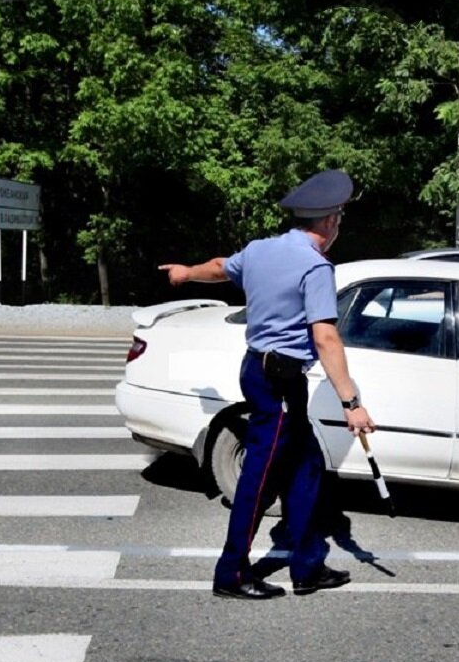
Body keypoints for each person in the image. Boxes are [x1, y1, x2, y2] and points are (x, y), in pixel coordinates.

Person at [160, 169, 376, 600]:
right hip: (276, 385)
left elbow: (222, 268)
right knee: (258, 480)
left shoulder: (260, 250)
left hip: (265, 375)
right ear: (330, 222)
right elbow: (325, 337)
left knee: (307, 465)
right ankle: (231, 573)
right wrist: (351, 403)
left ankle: (307, 566)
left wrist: (187, 273)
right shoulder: (316, 267)